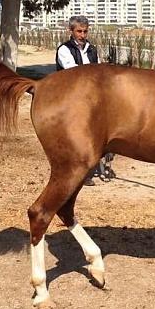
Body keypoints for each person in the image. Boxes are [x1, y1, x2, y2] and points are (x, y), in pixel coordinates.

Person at [55, 16, 113, 186]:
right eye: (79, 31)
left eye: (85, 31)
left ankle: (89, 168)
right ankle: (78, 172)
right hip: (71, 96)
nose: (82, 34)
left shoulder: (92, 50)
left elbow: (100, 72)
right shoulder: (64, 50)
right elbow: (75, 74)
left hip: (90, 97)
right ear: (71, 31)